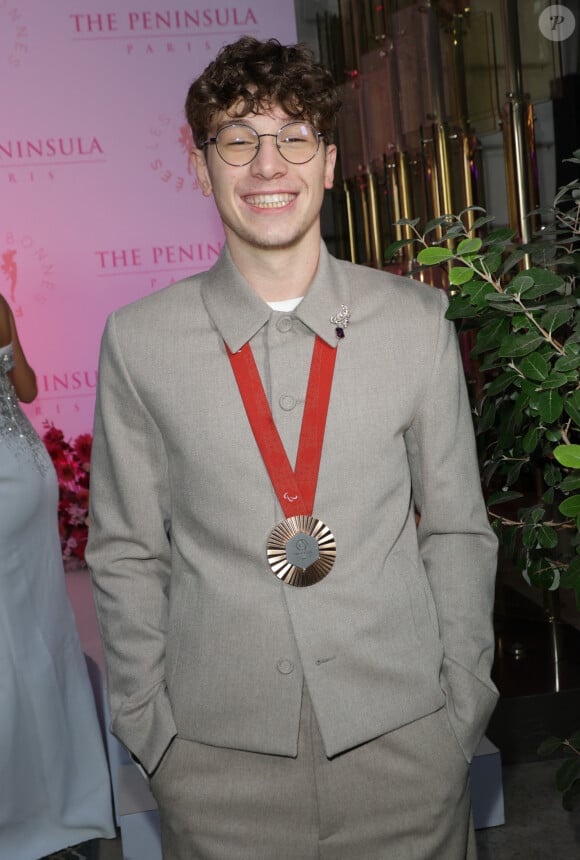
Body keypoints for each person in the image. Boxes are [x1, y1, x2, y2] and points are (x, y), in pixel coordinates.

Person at [86, 37, 498, 859]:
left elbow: (456, 530)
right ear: (202, 167)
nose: (268, 165)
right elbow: (127, 553)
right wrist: (153, 736)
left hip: (407, 753)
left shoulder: (416, 322)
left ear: (329, 161)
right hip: (215, 769)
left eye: (295, 137)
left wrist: (461, 715)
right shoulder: (139, 342)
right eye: (238, 139)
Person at [0, 294, 116, 859]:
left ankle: (20, 808)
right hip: (24, 471)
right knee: (39, 631)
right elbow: (25, 388)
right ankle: (66, 792)